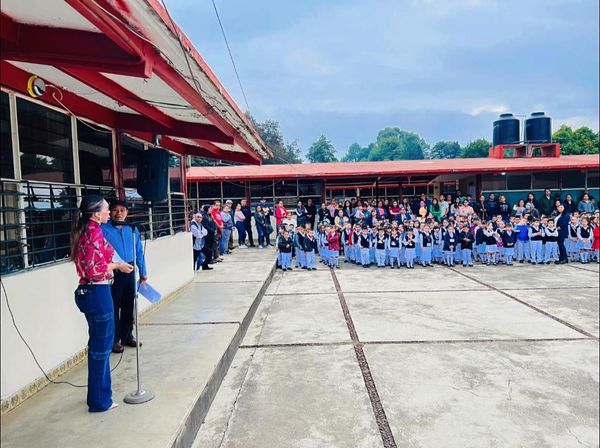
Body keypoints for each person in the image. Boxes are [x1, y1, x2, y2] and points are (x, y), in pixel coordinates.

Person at [71, 195, 133, 412]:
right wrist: (116, 267)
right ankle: (100, 401)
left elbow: (102, 260)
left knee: (99, 346)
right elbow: (94, 270)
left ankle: (99, 396)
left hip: (91, 292)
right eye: (107, 209)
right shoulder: (93, 234)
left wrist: (118, 264)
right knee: (101, 349)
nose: (110, 213)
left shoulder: (90, 232)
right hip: (97, 292)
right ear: (96, 213)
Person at [102, 199, 147, 354]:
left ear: (127, 212)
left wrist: (143, 272)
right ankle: (114, 340)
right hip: (112, 271)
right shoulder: (103, 229)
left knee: (129, 304)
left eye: (122, 210)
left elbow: (139, 251)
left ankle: (127, 335)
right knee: (113, 306)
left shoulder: (132, 229)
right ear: (109, 212)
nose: (119, 213)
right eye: (115, 210)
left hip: (130, 269)